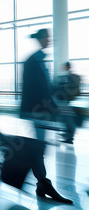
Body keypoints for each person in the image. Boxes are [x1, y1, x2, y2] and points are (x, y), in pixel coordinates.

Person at [20, 29, 72, 204]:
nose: (49, 40)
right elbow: (35, 89)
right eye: (47, 37)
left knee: (40, 147)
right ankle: (43, 183)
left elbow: (44, 88)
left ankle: (42, 183)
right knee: (39, 148)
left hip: (39, 111)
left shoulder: (38, 60)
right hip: (37, 112)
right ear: (41, 39)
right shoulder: (34, 61)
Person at [54, 62, 81, 144]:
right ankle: (68, 134)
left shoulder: (68, 76)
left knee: (66, 118)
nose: (63, 68)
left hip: (65, 100)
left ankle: (69, 136)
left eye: (64, 67)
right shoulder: (69, 76)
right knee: (64, 117)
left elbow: (65, 87)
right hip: (65, 100)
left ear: (67, 67)